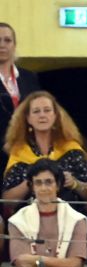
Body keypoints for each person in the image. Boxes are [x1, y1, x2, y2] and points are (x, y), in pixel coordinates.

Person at [7, 158, 87, 267]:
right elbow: (22, 263)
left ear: (58, 185)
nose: (44, 188)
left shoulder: (77, 219)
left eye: (48, 182)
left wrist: (37, 260)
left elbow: (74, 265)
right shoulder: (18, 220)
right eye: (38, 183)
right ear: (32, 187)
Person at [2, 91, 87, 207]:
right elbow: (7, 201)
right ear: (28, 119)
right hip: (29, 217)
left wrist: (74, 183)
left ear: (55, 116)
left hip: (69, 216)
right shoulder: (19, 152)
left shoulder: (72, 150)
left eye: (47, 110)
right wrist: (32, 181)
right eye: (36, 111)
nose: (42, 115)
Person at [0, 22, 39, 175]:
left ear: (14, 45)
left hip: (26, 153)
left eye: (7, 40)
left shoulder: (29, 77)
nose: (2, 45)